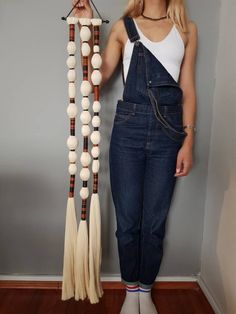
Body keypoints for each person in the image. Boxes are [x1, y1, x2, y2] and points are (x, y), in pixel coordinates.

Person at [72, 0, 198, 313]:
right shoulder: (121, 27)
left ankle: (145, 290)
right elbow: (95, 78)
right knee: (127, 221)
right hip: (128, 132)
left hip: (169, 135)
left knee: (154, 223)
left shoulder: (187, 29)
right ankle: (131, 290)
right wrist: (86, 28)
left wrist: (188, 141)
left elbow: (188, 87)